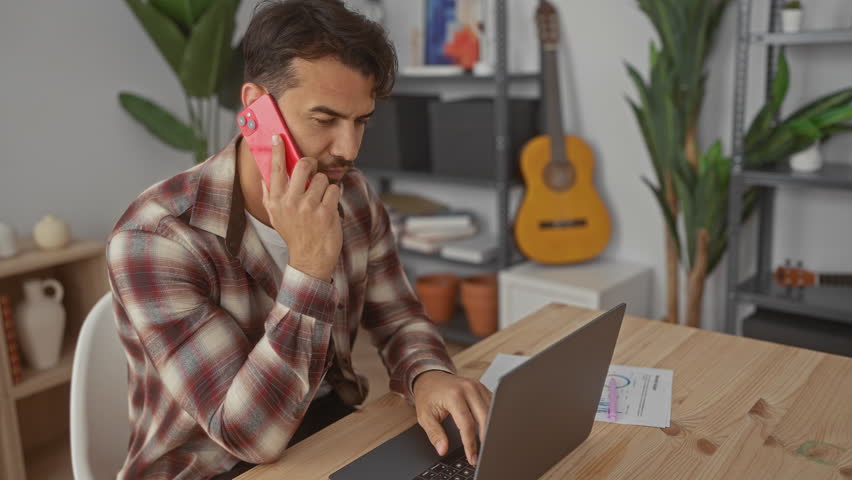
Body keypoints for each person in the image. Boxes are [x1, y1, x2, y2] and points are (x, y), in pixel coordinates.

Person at [106, 0, 492, 478]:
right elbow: (248, 437)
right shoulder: (155, 237)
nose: (348, 149)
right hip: (213, 465)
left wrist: (429, 374)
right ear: (254, 109)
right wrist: (310, 267)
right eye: (325, 120)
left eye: (361, 121)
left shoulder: (350, 195)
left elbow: (397, 315)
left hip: (326, 431)